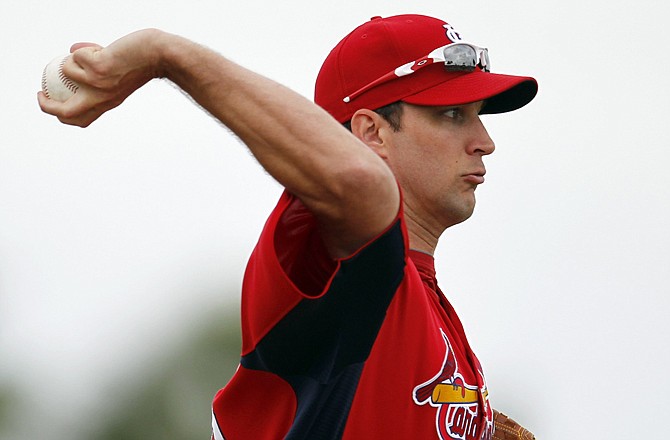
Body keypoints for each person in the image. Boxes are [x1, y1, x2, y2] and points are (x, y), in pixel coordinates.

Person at [38, 14, 538, 440]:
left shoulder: (427, 301)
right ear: (371, 133)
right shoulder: (344, 255)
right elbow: (357, 181)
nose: (484, 140)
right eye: (453, 114)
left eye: (477, 115)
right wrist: (163, 54)